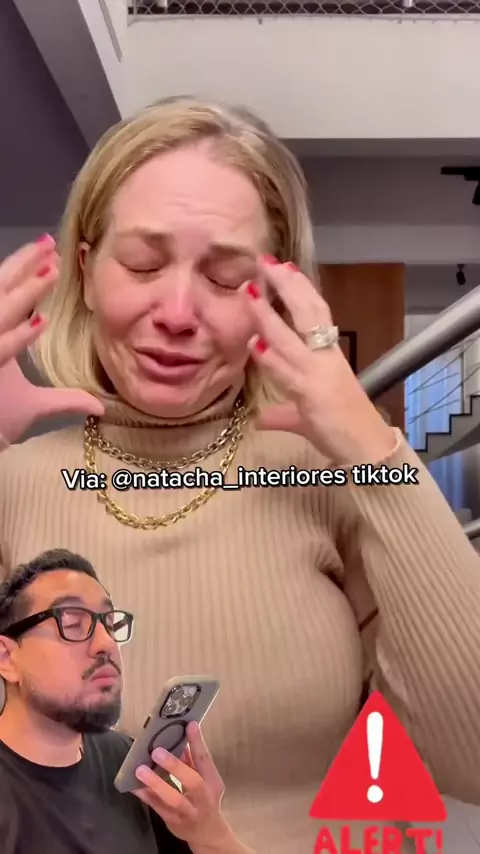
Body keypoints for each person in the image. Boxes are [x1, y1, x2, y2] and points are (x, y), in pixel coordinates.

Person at [1, 96, 480, 852]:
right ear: (86, 273)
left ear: (276, 299)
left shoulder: (332, 481)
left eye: (227, 278)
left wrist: (376, 453)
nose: (177, 311)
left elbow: (472, 761)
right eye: (143, 264)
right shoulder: (15, 483)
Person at [0, 547, 254, 854]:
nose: (106, 642)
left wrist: (211, 835)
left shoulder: (130, 766)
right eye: (72, 623)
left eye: (110, 624)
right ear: (7, 658)